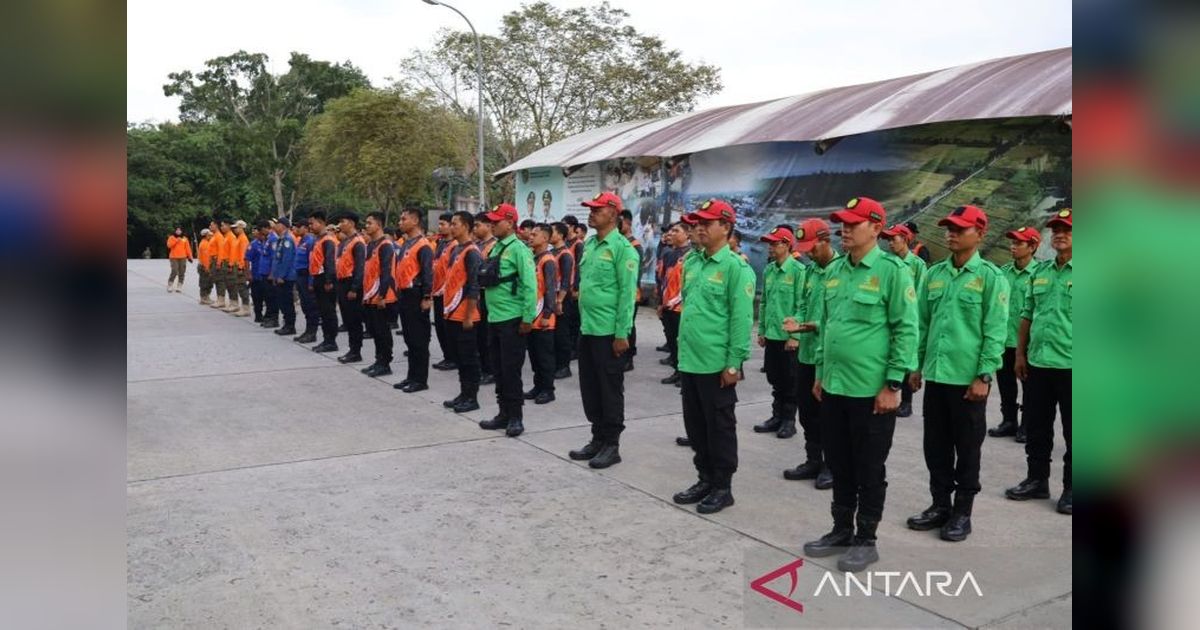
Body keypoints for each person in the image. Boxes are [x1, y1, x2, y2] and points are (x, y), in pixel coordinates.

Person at [802, 197, 917, 572]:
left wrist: (893, 384)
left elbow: (906, 330)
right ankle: (840, 529)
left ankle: (866, 539)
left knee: (869, 467)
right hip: (834, 387)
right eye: (842, 223)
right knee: (839, 462)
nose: (844, 230)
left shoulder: (892, 271)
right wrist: (820, 372)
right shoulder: (835, 270)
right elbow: (826, 325)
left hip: (871, 393)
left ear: (876, 227)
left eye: (853, 223)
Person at [905, 205, 1008, 543]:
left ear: (979, 234)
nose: (951, 233)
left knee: (967, 448)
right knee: (935, 446)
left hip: (967, 382)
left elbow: (994, 330)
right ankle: (939, 504)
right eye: (949, 227)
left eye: (959, 229)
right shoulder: (934, 275)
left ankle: (962, 512)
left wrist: (985, 375)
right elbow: (921, 324)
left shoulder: (991, 278)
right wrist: (916, 365)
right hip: (936, 376)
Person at [670, 199, 755, 514]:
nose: (698, 228)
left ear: (726, 227)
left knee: (719, 427)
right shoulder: (692, 262)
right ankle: (704, 478)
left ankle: (723, 486)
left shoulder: (736, 269)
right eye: (696, 223)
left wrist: (734, 363)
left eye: (706, 223)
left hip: (716, 363)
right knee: (696, 425)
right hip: (690, 360)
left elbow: (741, 321)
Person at [1006, 208, 1073, 515]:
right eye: (1056, 229)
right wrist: (1020, 354)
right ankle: (1037, 480)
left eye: (1067, 230)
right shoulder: (1040, 272)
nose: (1059, 234)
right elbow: (1027, 315)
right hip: (1039, 363)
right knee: (1037, 428)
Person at [568, 192, 639, 468]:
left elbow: (626, 295)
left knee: (610, 389)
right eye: (591, 208)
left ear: (613, 213)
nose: (591, 213)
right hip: (588, 328)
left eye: (597, 209)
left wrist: (622, 333)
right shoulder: (590, 245)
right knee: (591, 387)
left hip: (610, 333)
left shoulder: (623, 249)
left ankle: (612, 444)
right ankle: (597, 438)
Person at [781, 219, 839, 490]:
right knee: (807, 411)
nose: (807, 253)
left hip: (828, 357)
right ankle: (813, 459)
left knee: (828, 414)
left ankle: (831, 464)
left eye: (811, 247)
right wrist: (797, 323)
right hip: (806, 353)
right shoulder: (810, 272)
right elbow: (803, 305)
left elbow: (836, 318)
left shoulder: (841, 271)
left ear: (826, 241)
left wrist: (806, 326)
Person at [476, 203, 538, 437]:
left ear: (510, 222)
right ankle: (503, 413)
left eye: (496, 221)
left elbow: (531, 285)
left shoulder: (519, 249)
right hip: (494, 317)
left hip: (513, 319)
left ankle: (515, 417)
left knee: (511, 370)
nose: (492, 224)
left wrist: (527, 317)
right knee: (499, 369)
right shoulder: (496, 247)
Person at [754, 225, 807, 439]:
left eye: (774, 243)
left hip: (788, 338)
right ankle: (776, 416)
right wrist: (762, 330)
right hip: (773, 336)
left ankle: (788, 420)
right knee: (775, 378)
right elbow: (765, 302)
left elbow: (802, 305)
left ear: (786, 244)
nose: (770, 248)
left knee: (791, 381)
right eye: (769, 244)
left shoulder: (798, 271)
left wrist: (795, 336)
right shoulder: (769, 270)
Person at [990, 226, 1042, 442]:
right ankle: (1009, 421)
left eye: (1018, 243)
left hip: (1027, 342)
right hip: (1004, 339)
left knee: (1030, 388)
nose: (1013, 247)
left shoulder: (1040, 273)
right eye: (1012, 242)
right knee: (1006, 384)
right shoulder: (1003, 272)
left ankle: (1027, 426)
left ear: (1032, 247)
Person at [881, 222, 928, 417]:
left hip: (909, 320)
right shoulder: (886, 263)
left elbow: (920, 294)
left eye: (894, 239)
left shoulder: (917, 265)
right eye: (888, 240)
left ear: (906, 240)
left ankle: (906, 401)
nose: (890, 243)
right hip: (886, 321)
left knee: (907, 360)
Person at [440, 211, 484, 413]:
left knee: (469, 357)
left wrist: (468, 315)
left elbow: (474, 285)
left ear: (466, 226)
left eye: (455, 224)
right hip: (451, 312)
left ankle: (472, 397)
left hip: (465, 314)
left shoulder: (472, 252)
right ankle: (463, 393)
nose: (451, 227)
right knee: (459, 357)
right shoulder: (456, 249)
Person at [392, 208, 435, 393]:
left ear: (415, 221)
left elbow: (427, 273)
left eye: (404, 219)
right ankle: (411, 376)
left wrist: (426, 296)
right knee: (410, 339)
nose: (400, 222)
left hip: (416, 296)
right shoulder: (406, 244)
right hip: (404, 295)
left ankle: (420, 380)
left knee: (419, 339)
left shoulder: (423, 245)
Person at [523, 224, 559, 404]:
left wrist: (546, 314)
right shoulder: (533, 257)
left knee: (545, 357)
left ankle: (548, 389)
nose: (530, 236)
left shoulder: (548, 260)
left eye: (535, 234)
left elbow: (551, 290)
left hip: (543, 318)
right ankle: (538, 386)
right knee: (535, 356)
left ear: (545, 238)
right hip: (532, 317)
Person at [359, 211, 397, 377]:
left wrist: (382, 295)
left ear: (379, 225)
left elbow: (386, 272)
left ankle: (385, 363)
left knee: (382, 331)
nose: (366, 226)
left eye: (369, 223)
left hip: (381, 296)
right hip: (369, 295)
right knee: (374, 330)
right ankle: (378, 359)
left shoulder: (385, 245)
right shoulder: (370, 245)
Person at [333, 211, 367, 364]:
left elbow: (360, 267)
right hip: (342, 282)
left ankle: (356, 351)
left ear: (352, 223)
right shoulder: (344, 242)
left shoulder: (358, 242)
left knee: (354, 320)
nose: (340, 225)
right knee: (347, 319)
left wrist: (354, 288)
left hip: (351, 284)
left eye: (343, 221)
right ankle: (352, 349)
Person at [307, 211, 340, 353]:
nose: (310, 226)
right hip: (317, 278)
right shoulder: (318, 240)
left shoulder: (328, 240)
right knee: (323, 311)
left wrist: (328, 280)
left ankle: (331, 341)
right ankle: (326, 339)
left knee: (328, 311)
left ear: (320, 223)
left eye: (312, 223)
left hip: (325, 280)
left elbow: (330, 261)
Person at [473, 212, 498, 385]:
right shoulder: (477, 245)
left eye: (477, 225)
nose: (474, 229)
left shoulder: (494, 247)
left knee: (487, 334)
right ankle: (483, 367)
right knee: (479, 334)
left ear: (489, 226)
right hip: (477, 294)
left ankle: (490, 370)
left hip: (488, 293)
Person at [431, 212, 457, 371]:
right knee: (440, 326)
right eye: (439, 224)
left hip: (448, 293)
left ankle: (453, 357)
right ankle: (447, 356)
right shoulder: (440, 243)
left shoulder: (455, 245)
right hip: (437, 291)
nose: (440, 227)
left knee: (448, 327)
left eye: (443, 224)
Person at [549, 222, 575, 379]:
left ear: (560, 235)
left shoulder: (565, 254)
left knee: (562, 333)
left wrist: (559, 301)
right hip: (553, 296)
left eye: (552, 232)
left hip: (562, 297)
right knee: (554, 333)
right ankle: (556, 364)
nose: (549, 234)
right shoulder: (552, 251)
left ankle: (564, 366)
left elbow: (565, 280)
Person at [618, 209, 643, 371]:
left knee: (628, 325)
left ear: (628, 223)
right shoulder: (619, 244)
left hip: (631, 293)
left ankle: (629, 357)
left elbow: (635, 276)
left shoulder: (634, 246)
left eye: (620, 222)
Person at [268, 217, 298, 335]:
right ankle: (287, 324)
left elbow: (287, 260)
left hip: (286, 277)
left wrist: (281, 275)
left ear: (283, 226)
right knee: (282, 301)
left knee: (286, 301)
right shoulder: (281, 239)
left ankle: (290, 325)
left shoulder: (288, 239)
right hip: (280, 276)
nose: (275, 226)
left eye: (277, 224)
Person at [292, 219, 319, 343]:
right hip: (300, 276)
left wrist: (311, 282)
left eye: (299, 227)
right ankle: (307, 331)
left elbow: (312, 264)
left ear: (306, 228)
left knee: (311, 306)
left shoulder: (310, 241)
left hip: (307, 275)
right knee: (305, 306)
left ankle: (312, 333)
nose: (296, 229)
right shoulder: (301, 241)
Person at [247, 222, 272, 322]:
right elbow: (247, 259)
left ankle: (267, 315)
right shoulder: (253, 244)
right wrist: (248, 273)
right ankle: (258, 314)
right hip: (256, 275)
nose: (261, 235)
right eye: (259, 233)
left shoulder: (268, 243)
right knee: (257, 297)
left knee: (268, 296)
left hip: (266, 275)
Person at [260, 222, 280, 327]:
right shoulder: (267, 238)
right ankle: (269, 317)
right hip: (264, 272)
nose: (261, 232)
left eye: (262, 229)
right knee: (267, 297)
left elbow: (274, 257)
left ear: (267, 228)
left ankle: (274, 319)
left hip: (269, 273)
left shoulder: (273, 239)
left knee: (272, 297)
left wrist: (272, 273)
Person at [230, 220, 252, 317]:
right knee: (239, 286)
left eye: (237, 227)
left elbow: (243, 255)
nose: (235, 229)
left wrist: (240, 267)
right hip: (235, 265)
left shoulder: (243, 239)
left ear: (241, 228)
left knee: (242, 287)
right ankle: (243, 306)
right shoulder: (238, 238)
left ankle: (246, 307)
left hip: (240, 267)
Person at [211, 219, 232, 309]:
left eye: (212, 225)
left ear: (216, 226)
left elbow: (221, 251)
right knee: (217, 280)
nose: (210, 227)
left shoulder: (219, 236)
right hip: (213, 259)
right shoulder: (214, 236)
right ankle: (219, 298)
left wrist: (219, 262)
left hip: (218, 260)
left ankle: (221, 299)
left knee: (220, 280)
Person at [166, 227, 193, 292]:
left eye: (179, 230)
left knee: (182, 272)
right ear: (175, 231)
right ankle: (170, 284)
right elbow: (169, 246)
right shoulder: (172, 237)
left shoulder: (185, 239)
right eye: (177, 230)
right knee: (174, 270)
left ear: (182, 231)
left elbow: (188, 248)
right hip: (174, 257)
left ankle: (179, 285)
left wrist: (190, 257)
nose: (178, 231)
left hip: (183, 257)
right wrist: (176, 240)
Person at [197, 228, 215, 304]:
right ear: (205, 235)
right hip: (205, 266)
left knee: (209, 282)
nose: (210, 235)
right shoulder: (204, 244)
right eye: (209, 234)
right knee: (204, 282)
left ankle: (207, 297)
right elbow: (205, 258)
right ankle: (203, 298)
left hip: (207, 266)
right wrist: (207, 268)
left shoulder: (207, 242)